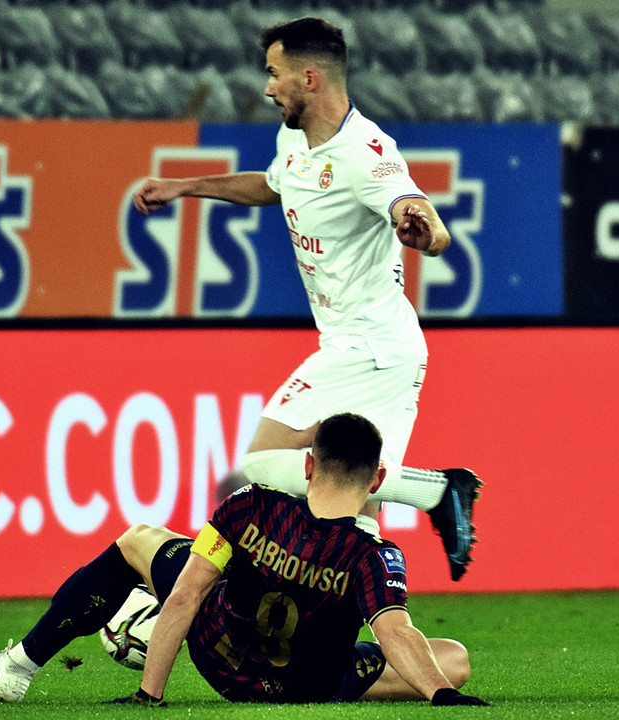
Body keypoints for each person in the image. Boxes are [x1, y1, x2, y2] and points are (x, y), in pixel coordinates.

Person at [131, 16, 481, 581]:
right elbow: (274, 184)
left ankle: (437, 490)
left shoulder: (367, 153)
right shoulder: (294, 138)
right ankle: (372, 624)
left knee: (260, 467)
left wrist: (428, 234)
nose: (268, 87)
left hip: (369, 347)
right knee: (356, 517)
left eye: (275, 73)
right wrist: (186, 186)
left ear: (309, 78)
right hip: (378, 347)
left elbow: (411, 204)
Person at [0, 413, 489, 707]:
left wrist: (149, 696)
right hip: (312, 684)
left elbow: (187, 594)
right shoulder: (374, 555)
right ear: (377, 481)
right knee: (454, 661)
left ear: (306, 466)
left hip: (222, 657)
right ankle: (139, 618)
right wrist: (442, 695)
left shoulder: (248, 506)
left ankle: (19, 667)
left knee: (138, 540)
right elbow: (395, 631)